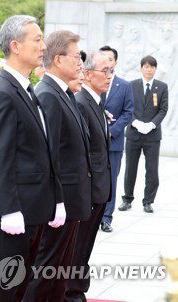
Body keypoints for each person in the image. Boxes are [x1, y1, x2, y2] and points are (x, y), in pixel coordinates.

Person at [0, 15, 62, 302]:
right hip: (11, 214)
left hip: (32, 208)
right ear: (16, 45)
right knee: (2, 290)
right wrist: (9, 210)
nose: (43, 46)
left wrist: (56, 199)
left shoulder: (25, 89)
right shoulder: (2, 92)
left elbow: (41, 151)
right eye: (37, 39)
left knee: (19, 289)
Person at [24, 30, 89, 302]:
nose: (80, 63)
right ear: (59, 59)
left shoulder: (63, 92)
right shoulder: (48, 94)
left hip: (71, 197)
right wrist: (58, 202)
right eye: (76, 57)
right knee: (46, 271)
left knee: (59, 271)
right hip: (59, 201)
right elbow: (50, 156)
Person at [66, 51, 112, 302]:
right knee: (77, 246)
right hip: (88, 190)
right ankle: (71, 291)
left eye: (111, 71)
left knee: (85, 246)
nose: (108, 76)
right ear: (87, 73)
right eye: (104, 71)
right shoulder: (82, 103)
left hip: (99, 189)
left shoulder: (96, 102)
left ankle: (77, 288)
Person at [120, 55, 168, 214]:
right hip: (134, 133)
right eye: (146, 66)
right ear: (141, 68)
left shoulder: (162, 87)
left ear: (155, 69)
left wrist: (152, 124)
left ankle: (148, 201)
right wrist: (135, 123)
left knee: (152, 170)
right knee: (130, 168)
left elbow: (163, 109)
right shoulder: (131, 85)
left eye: (152, 67)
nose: (149, 70)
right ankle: (127, 199)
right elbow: (127, 106)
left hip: (152, 135)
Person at [99, 45, 134, 232]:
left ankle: (106, 218)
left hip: (114, 142)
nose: (107, 62)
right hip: (94, 142)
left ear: (115, 62)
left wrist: (113, 130)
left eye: (110, 59)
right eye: (103, 58)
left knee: (111, 180)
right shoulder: (93, 82)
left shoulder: (124, 86)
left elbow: (129, 112)